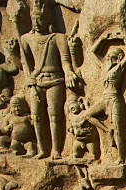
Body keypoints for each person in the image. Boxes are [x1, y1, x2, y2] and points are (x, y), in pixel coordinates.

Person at [19, 0, 82, 159]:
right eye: (35, 19)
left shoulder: (58, 38)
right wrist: (29, 79)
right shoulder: (26, 39)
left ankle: (56, 150)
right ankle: (42, 149)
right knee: (37, 117)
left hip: (55, 80)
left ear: (48, 19)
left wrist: (69, 73)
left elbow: (65, 61)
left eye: (41, 19)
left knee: (54, 115)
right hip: (36, 82)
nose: (38, 23)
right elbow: (26, 64)